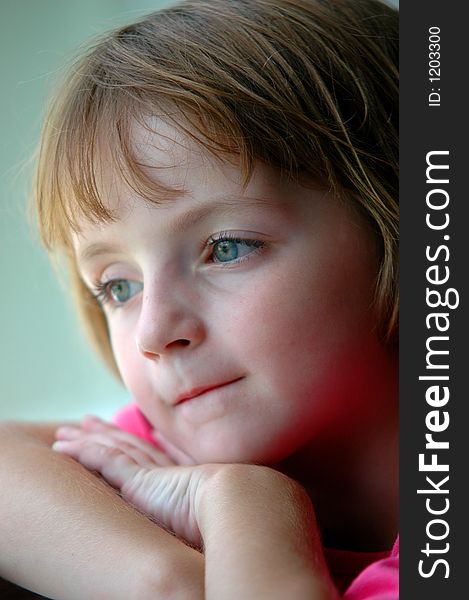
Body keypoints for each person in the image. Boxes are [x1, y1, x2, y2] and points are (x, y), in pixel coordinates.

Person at [0, 0, 399, 597]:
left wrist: (247, 504)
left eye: (228, 248)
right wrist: (171, 581)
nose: (154, 332)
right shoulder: (160, 459)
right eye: (119, 286)